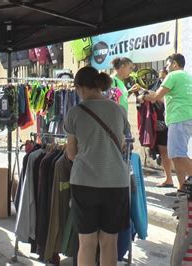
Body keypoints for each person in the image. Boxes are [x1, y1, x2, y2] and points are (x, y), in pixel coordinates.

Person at [64, 66, 130, 266]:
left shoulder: (74, 113)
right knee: (109, 242)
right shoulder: (119, 109)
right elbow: (121, 143)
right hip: (116, 182)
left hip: (85, 183)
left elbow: (71, 153)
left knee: (87, 242)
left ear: (80, 88)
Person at [141, 53, 192, 193]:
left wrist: (142, 95)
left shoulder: (173, 75)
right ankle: (182, 188)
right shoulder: (188, 76)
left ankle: (187, 183)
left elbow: (157, 96)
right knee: (177, 155)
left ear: (175, 64)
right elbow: (164, 99)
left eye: (168, 64)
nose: (166, 67)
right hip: (185, 117)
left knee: (177, 153)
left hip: (179, 118)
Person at [136, 68, 174, 188]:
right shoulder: (157, 86)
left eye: (164, 76)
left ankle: (170, 179)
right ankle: (168, 179)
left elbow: (165, 101)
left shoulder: (171, 88)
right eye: (160, 77)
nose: (162, 79)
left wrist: (153, 96)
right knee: (164, 152)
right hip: (158, 124)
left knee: (171, 153)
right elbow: (143, 99)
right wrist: (144, 96)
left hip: (170, 122)